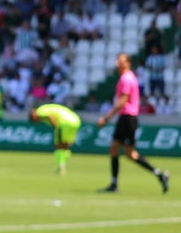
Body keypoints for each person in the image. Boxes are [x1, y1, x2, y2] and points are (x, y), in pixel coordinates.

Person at [97, 52, 169, 194]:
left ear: (128, 63)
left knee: (128, 153)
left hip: (128, 118)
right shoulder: (128, 77)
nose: (118, 63)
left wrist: (107, 118)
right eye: (118, 60)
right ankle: (158, 175)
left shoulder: (127, 78)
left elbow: (123, 100)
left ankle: (158, 174)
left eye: (122, 60)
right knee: (118, 150)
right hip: (127, 118)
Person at [28, 102, 80, 174]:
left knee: (58, 146)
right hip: (75, 120)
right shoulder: (47, 107)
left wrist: (55, 127)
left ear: (33, 115)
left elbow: (50, 116)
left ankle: (61, 167)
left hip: (64, 122)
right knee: (66, 145)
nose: (37, 121)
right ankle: (63, 163)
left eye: (34, 120)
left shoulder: (40, 111)